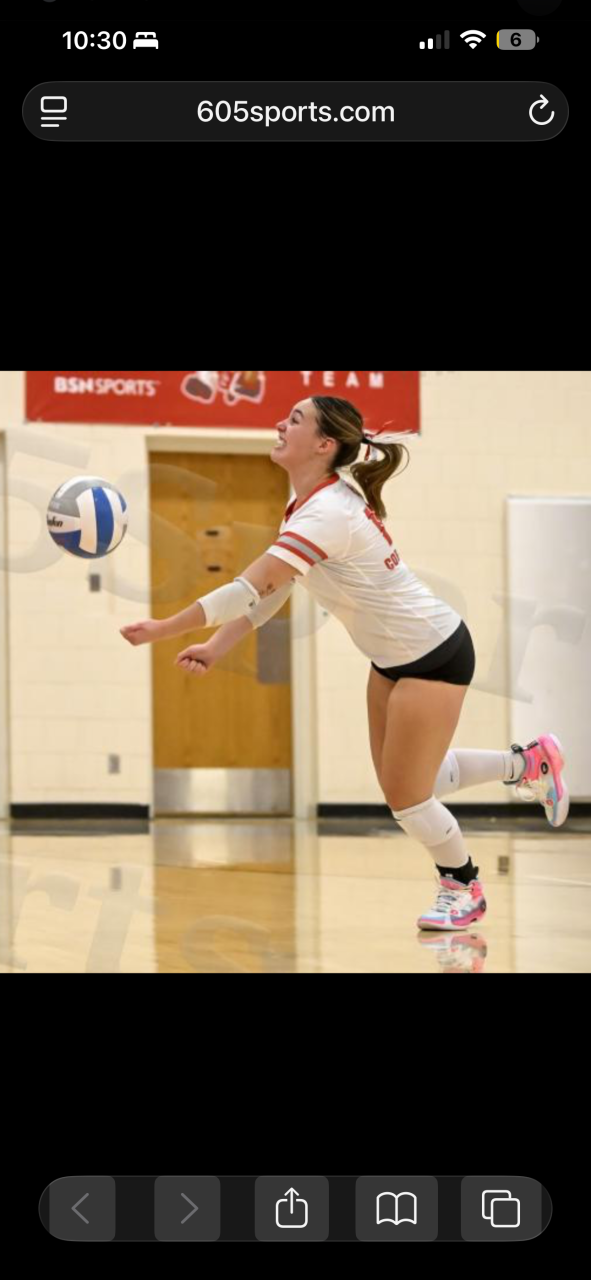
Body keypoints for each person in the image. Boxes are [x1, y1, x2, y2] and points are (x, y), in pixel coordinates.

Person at [121, 395, 569, 931]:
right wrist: (218, 646)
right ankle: (527, 764)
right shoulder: (309, 504)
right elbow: (274, 590)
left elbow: (248, 587)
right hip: (392, 658)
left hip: (433, 653)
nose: (279, 424)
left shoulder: (328, 513)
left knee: (409, 800)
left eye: (294, 420)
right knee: (412, 783)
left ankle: (463, 885)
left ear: (324, 444)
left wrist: (164, 628)